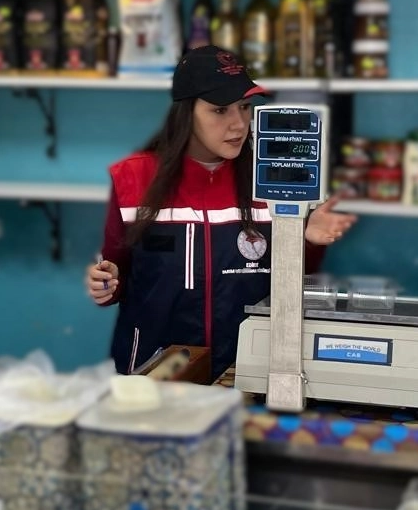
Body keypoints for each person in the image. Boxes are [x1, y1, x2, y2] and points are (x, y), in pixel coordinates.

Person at [85, 46, 357, 378]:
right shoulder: (133, 178)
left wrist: (309, 239)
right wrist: (104, 283)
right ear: (186, 112)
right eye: (220, 110)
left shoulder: (273, 180)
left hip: (246, 372)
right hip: (156, 375)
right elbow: (116, 275)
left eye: (244, 107)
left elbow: (291, 286)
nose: (239, 124)